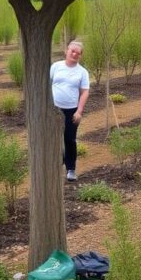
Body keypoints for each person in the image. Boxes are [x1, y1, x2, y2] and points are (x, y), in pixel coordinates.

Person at [51, 41, 90, 182]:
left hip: (71, 111)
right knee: (53, 138)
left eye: (78, 53)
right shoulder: (56, 67)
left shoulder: (82, 72)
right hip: (53, 109)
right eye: (72, 51)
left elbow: (85, 91)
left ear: (80, 56)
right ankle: (54, 164)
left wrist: (79, 111)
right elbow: (47, 84)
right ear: (66, 51)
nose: (74, 54)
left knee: (69, 139)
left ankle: (70, 169)